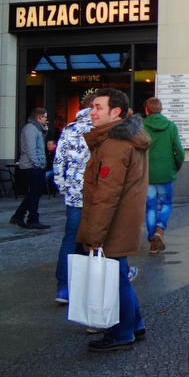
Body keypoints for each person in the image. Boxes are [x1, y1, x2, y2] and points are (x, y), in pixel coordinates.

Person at [76, 88, 150, 352]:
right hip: (121, 221)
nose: (92, 112)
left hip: (113, 224)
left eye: (98, 107)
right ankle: (135, 324)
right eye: (92, 107)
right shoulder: (121, 138)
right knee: (118, 274)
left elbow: (106, 195)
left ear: (115, 111)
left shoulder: (115, 144)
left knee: (115, 279)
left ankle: (121, 334)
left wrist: (94, 236)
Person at [51, 91, 95, 303]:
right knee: (97, 238)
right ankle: (92, 284)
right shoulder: (104, 128)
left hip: (75, 194)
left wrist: (64, 188)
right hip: (98, 193)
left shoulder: (69, 129)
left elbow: (58, 162)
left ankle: (64, 288)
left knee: (70, 238)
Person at [142, 97, 185, 254]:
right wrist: (175, 166)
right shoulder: (171, 126)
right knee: (166, 204)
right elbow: (179, 151)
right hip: (166, 172)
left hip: (147, 174)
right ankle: (159, 230)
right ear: (161, 109)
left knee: (150, 208)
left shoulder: (141, 126)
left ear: (147, 110)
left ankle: (153, 240)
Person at [10, 107, 51, 229]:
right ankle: (31, 219)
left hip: (34, 165)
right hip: (31, 166)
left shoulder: (36, 129)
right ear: (39, 117)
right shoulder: (30, 129)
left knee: (34, 193)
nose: (46, 120)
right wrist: (37, 164)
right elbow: (31, 149)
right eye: (45, 117)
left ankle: (19, 216)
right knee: (34, 193)